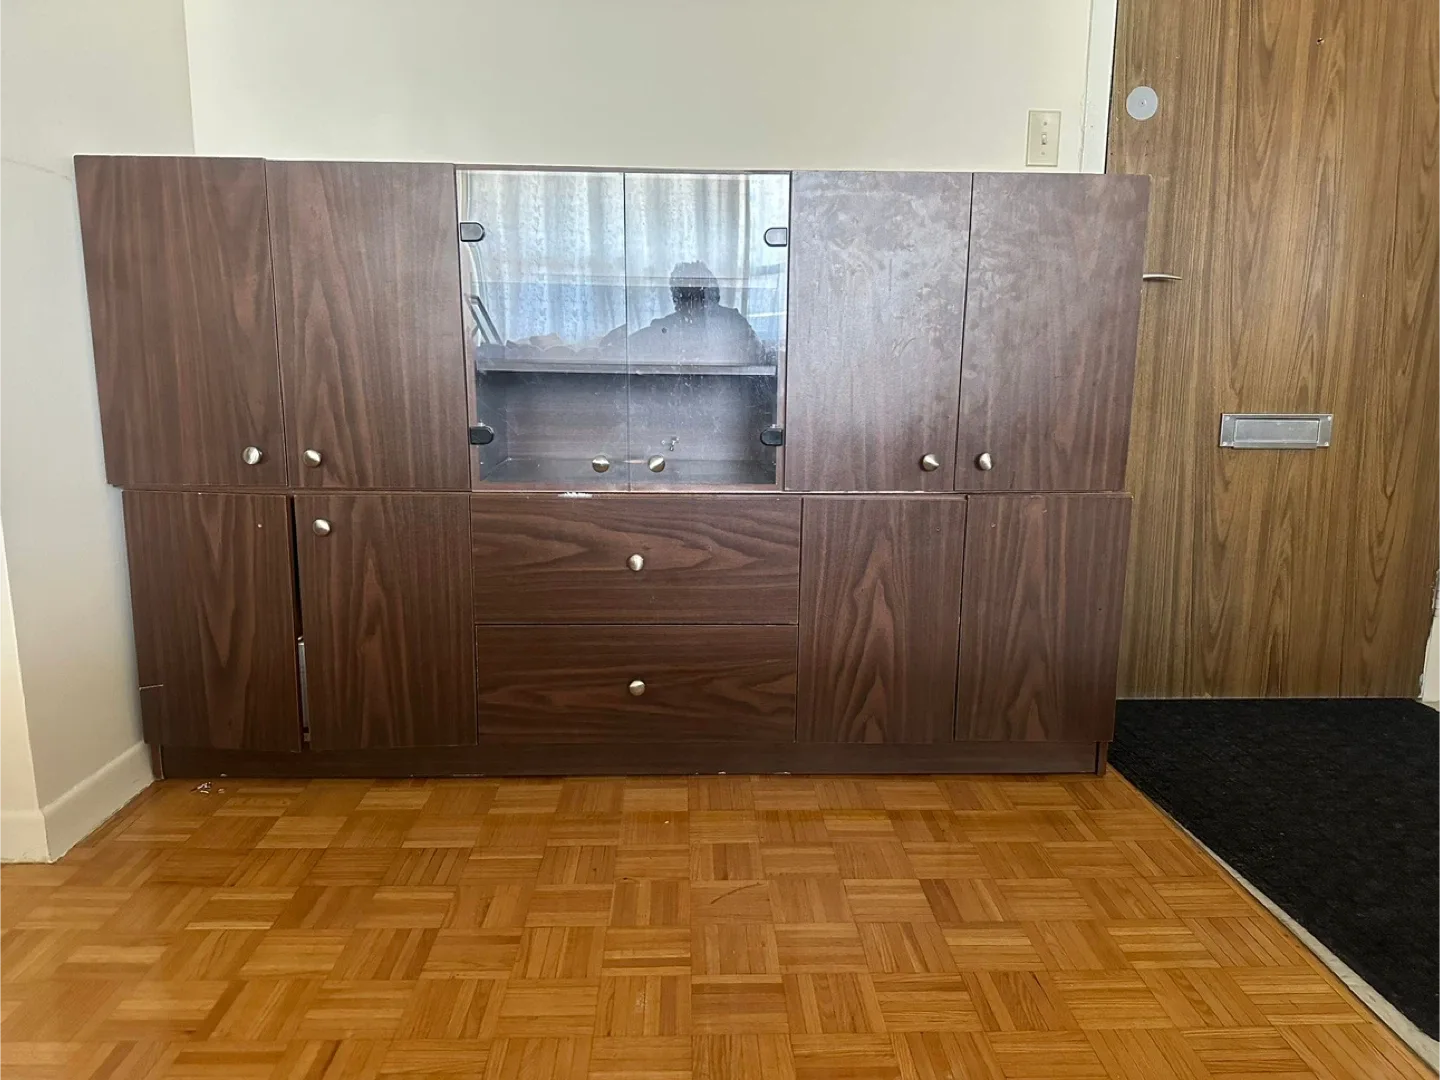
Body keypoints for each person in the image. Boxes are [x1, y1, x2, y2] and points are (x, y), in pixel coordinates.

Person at [602, 261, 766, 365]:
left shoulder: (733, 322)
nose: (692, 304)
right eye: (685, 296)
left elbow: (758, 356)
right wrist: (615, 344)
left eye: (698, 295)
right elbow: (625, 349)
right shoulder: (664, 328)